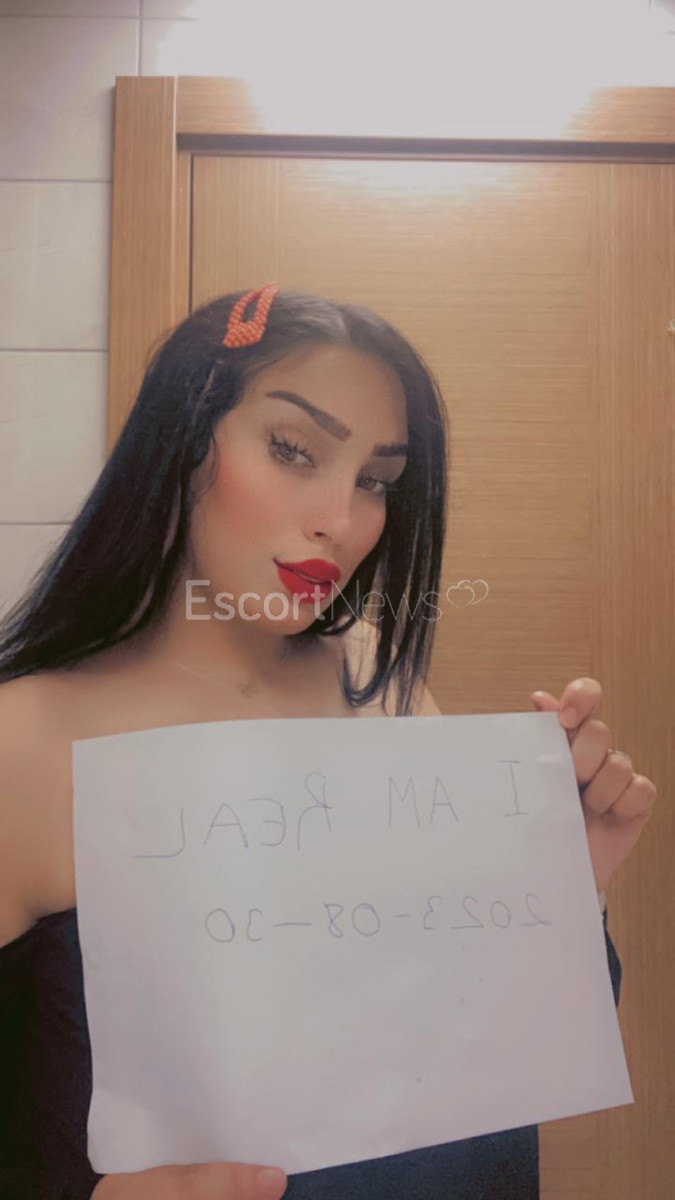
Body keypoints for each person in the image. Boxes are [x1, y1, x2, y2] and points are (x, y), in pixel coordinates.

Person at [0, 284, 636, 1198]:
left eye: (376, 481)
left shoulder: (377, 678)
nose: (340, 519)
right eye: (293, 450)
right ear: (183, 441)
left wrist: (562, 894)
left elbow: (487, 1040)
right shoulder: (26, 743)